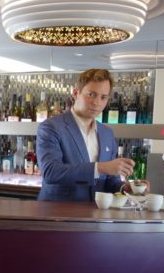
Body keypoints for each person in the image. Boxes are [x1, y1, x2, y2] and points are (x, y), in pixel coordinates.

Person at [36, 69, 135, 201]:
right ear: (76, 93)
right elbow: (51, 172)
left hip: (95, 215)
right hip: (58, 215)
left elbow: (110, 181)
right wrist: (99, 168)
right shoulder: (50, 127)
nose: (97, 103)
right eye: (91, 94)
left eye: (103, 97)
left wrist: (125, 188)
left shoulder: (107, 133)